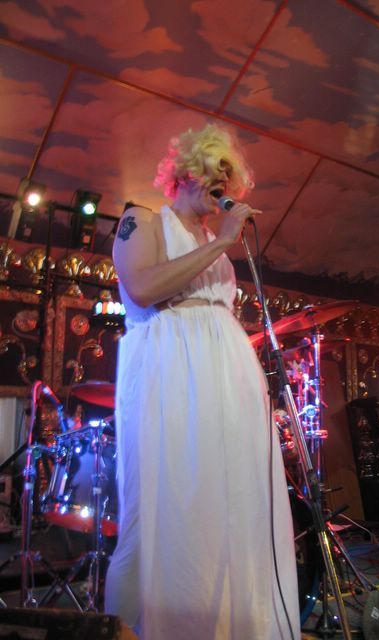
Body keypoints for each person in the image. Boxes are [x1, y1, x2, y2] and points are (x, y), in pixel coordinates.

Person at [104, 123, 300, 640]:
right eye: (216, 174)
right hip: (171, 380)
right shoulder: (141, 220)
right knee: (172, 506)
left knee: (232, 505)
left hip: (228, 384)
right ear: (189, 171)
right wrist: (223, 245)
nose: (223, 187)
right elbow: (142, 288)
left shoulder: (215, 240)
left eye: (230, 180)